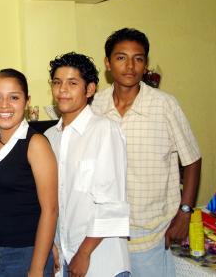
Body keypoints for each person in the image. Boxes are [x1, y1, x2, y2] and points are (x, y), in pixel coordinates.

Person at [91, 28, 202, 276]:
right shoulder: (96, 106)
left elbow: (192, 159)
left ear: (146, 64)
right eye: (121, 58)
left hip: (151, 234)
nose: (130, 66)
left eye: (138, 58)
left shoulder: (164, 105)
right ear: (108, 63)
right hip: (106, 233)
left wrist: (185, 213)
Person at [44, 52, 130, 277]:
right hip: (63, 258)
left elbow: (112, 203)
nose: (62, 90)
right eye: (57, 82)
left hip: (100, 261)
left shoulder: (104, 130)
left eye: (72, 83)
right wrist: (51, 244)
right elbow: (50, 201)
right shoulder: (49, 137)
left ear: (90, 89)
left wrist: (84, 253)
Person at [0, 68, 58, 277]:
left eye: (14, 97)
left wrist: (37, 269)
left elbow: (50, 210)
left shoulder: (36, 144)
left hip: (27, 255)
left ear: (27, 101)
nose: (4, 105)